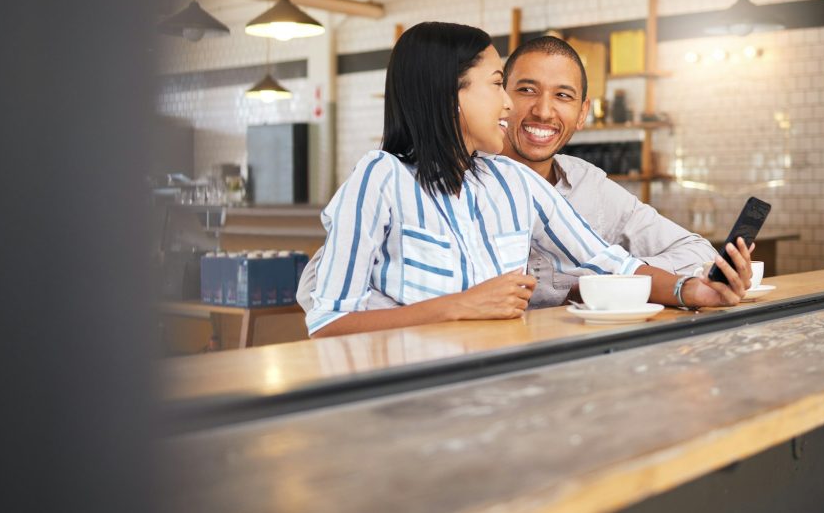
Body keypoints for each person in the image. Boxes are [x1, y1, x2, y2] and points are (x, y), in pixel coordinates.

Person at [299, 22, 752, 338]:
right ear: (448, 96)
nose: (512, 106)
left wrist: (693, 291)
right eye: (502, 85)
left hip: (500, 380)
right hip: (409, 396)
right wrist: (459, 307)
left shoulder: (513, 180)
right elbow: (327, 321)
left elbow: (610, 263)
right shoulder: (380, 177)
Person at [500, 36, 738, 308]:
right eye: (527, 90)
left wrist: (605, 281)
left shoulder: (589, 184)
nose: (543, 111)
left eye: (563, 95)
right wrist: (608, 277)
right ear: (501, 98)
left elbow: (697, 252)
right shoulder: (463, 180)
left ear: (582, 113)